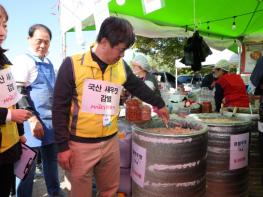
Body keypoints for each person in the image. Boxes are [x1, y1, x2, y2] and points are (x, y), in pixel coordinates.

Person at [52, 16, 169, 197]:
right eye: (121, 50)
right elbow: (59, 108)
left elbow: (138, 87)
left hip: (110, 143)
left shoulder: (120, 66)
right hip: (80, 145)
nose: (122, 56)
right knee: (80, 193)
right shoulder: (72, 65)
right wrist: (62, 148)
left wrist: (159, 104)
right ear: (104, 42)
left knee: (110, 191)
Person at [11, 24, 62, 197]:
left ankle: (54, 192)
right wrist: (32, 120)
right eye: (39, 41)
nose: (43, 46)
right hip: (30, 123)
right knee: (27, 166)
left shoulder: (48, 62)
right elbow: (19, 93)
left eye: (46, 42)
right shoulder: (23, 60)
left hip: (50, 122)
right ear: (29, 39)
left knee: (51, 162)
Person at [0, 4, 32, 197]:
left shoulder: (4, 61)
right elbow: (11, 110)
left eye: (5, 25)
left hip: (9, 147)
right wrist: (11, 115)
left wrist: (19, 133)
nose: (2, 32)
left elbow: (11, 99)